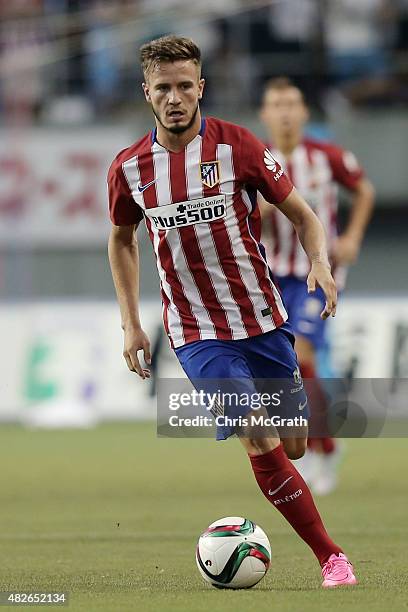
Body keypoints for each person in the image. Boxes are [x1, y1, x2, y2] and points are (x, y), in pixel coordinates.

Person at [107, 35, 357, 587]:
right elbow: (122, 239)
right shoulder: (129, 169)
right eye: (162, 88)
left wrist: (318, 261)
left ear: (201, 87)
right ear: (146, 93)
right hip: (196, 331)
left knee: (293, 442)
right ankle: (332, 557)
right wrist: (130, 323)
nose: (174, 98)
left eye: (183, 86)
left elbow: (303, 214)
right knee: (254, 430)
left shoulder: (238, 147)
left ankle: (317, 457)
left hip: (263, 319)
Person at [259, 77, 375, 494]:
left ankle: (320, 451)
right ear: (265, 114)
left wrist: (352, 238)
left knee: (300, 355)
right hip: (269, 275)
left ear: (305, 112)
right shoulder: (257, 159)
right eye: (277, 104)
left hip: (316, 273)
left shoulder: (326, 157)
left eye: (292, 103)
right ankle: (318, 446)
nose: (286, 111)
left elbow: (363, 190)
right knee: (283, 366)